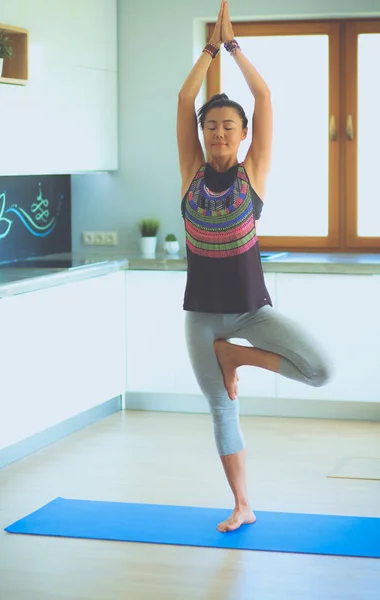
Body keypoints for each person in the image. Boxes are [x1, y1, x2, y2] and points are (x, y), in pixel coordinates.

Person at [177, 0, 333, 533]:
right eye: (211, 126)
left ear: (243, 135)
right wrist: (207, 50)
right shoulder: (191, 175)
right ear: (202, 135)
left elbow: (263, 96)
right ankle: (243, 504)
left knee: (320, 370)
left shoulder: (252, 176)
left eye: (228, 126)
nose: (218, 133)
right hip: (201, 318)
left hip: (251, 317)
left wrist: (234, 47)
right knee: (222, 411)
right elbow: (183, 98)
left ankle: (235, 357)